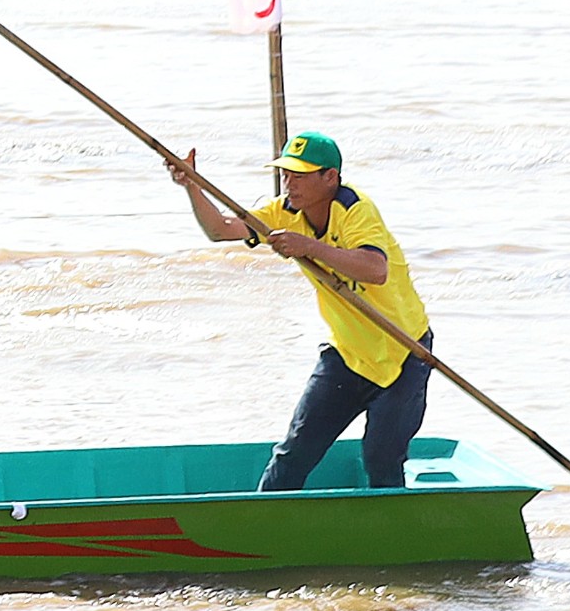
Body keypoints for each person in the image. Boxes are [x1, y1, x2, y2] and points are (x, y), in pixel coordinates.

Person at [172, 131, 433, 493]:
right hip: (347, 353)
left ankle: (392, 537)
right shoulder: (283, 212)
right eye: (285, 174)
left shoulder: (355, 209)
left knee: (381, 457)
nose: (288, 183)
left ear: (331, 177)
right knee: (294, 453)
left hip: (404, 351)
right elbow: (221, 230)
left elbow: (375, 269)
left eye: (299, 175)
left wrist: (309, 247)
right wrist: (191, 186)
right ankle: (264, 526)